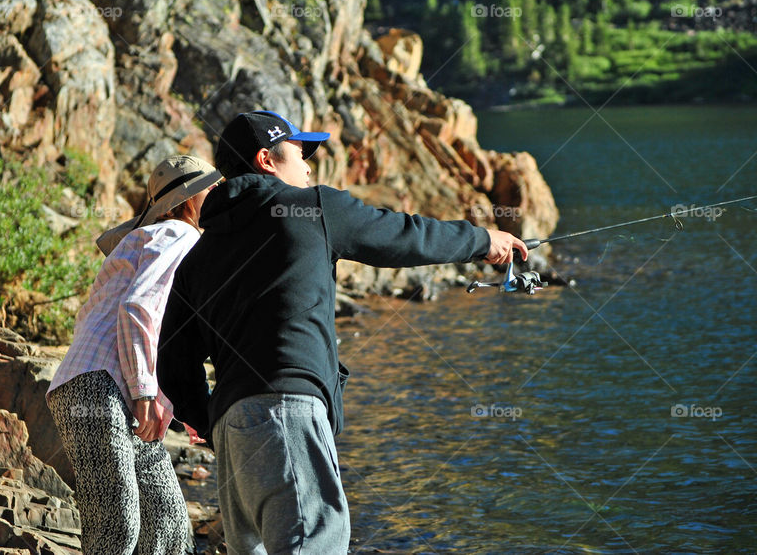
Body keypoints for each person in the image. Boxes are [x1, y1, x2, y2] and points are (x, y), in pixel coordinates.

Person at [156, 110, 527, 554]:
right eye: (300, 153)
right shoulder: (314, 208)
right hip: (289, 413)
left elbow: (173, 364)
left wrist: (213, 423)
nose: (308, 166)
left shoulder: (199, 256)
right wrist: (482, 241)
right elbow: (402, 236)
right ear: (266, 160)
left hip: (232, 432)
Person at [46, 154, 222, 555]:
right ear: (185, 201)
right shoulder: (180, 234)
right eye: (210, 187)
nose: (219, 191)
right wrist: (145, 393)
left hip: (100, 385)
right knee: (117, 528)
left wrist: (172, 404)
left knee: (168, 525)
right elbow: (138, 307)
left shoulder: (152, 237)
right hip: (101, 387)